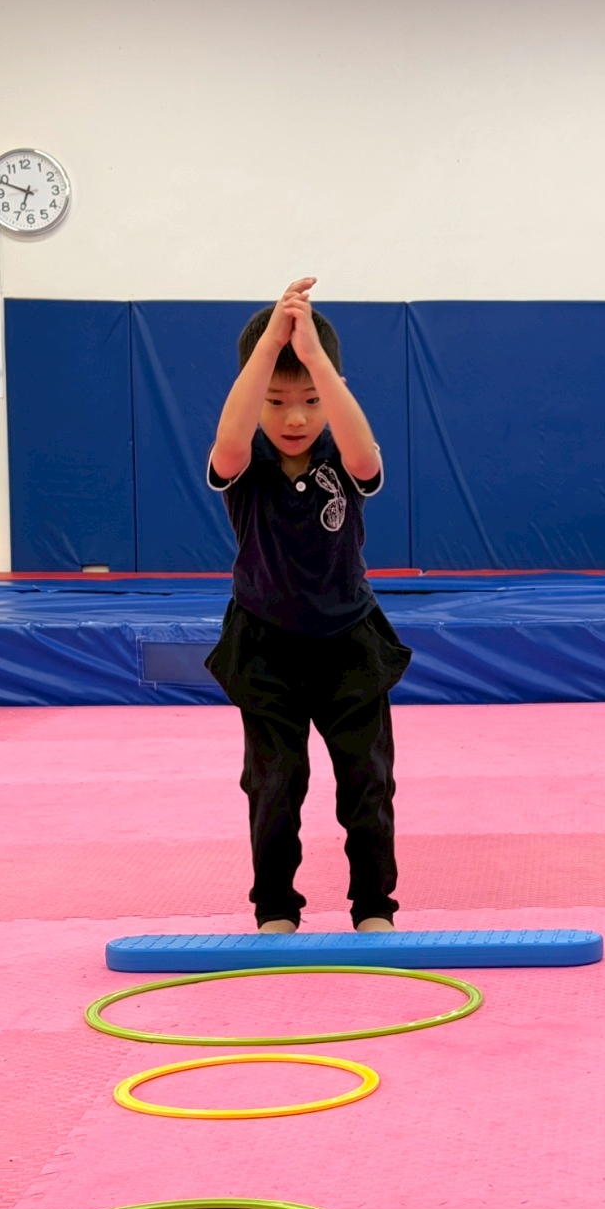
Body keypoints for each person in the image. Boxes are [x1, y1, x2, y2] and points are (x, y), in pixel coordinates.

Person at [204, 278, 412, 934]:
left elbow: (365, 453)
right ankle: (275, 909)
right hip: (265, 647)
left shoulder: (343, 456)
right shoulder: (245, 462)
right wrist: (270, 344)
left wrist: (318, 359)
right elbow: (231, 434)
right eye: (275, 401)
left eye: (311, 400)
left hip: (349, 642)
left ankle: (373, 907)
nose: (294, 419)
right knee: (274, 783)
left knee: (368, 783)